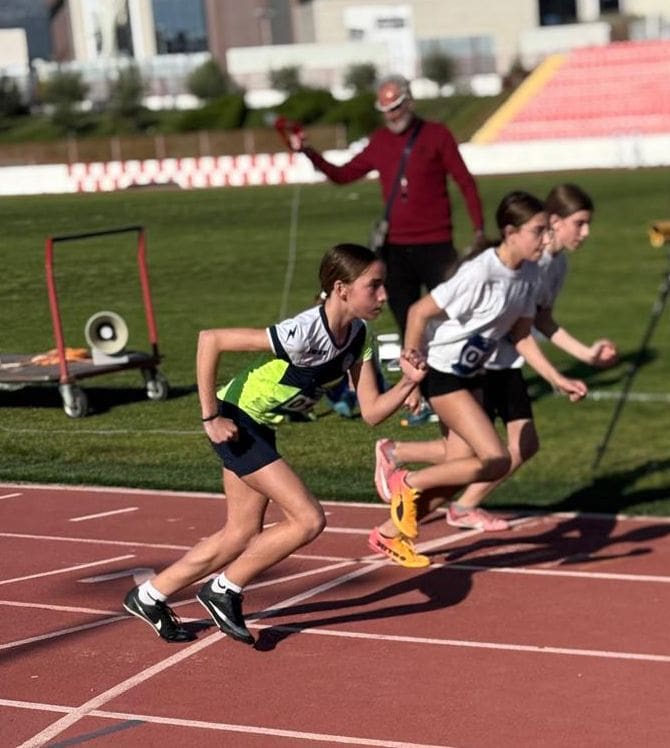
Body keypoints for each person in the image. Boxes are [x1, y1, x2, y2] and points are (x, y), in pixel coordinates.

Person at [121, 244, 425, 644]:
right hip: (237, 419)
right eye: (375, 286)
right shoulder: (303, 332)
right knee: (308, 519)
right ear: (342, 289)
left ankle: (149, 595)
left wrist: (408, 383)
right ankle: (223, 590)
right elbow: (210, 339)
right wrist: (211, 417)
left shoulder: (358, 337)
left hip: (260, 427)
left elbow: (370, 412)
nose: (384, 296)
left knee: (240, 533)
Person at [375, 183, 618, 532]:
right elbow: (420, 312)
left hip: (483, 364)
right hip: (467, 366)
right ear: (548, 222)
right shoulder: (490, 269)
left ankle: (393, 524)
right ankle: (417, 487)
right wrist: (411, 377)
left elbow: (529, 326)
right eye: (579, 223)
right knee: (492, 456)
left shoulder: (538, 268)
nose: (585, 232)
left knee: (466, 458)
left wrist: (571, 367)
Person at [288, 75, 484, 421]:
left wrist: (480, 230)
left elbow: (465, 181)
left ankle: (460, 390)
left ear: (408, 101)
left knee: (448, 320)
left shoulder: (437, 135)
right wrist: (308, 152)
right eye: (385, 110)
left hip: (437, 244)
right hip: (395, 250)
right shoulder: (380, 142)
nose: (392, 115)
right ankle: (418, 397)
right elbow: (342, 174)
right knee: (407, 321)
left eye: (395, 107)